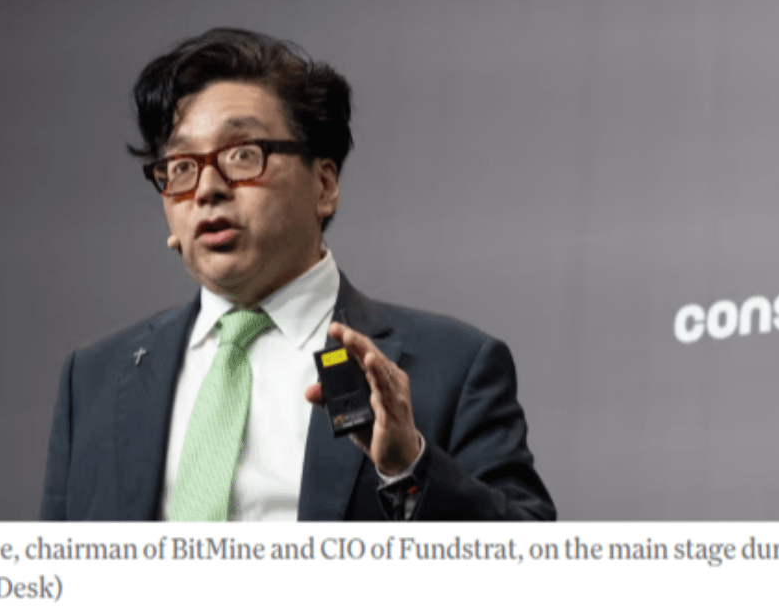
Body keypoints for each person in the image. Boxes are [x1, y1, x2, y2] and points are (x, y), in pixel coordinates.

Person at [39, 28, 554, 521]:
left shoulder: (453, 366)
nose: (207, 189)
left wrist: (409, 469)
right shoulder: (95, 378)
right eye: (180, 167)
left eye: (243, 155)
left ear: (324, 185)